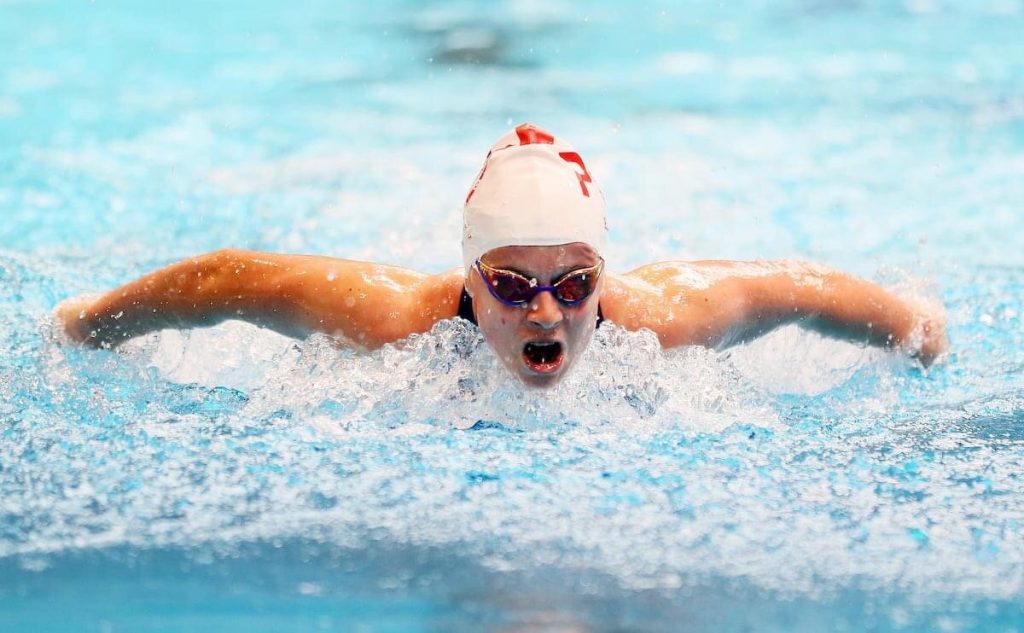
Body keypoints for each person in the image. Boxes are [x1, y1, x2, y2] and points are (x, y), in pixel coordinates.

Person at [56, 123, 947, 388]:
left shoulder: (661, 320)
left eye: (574, 283)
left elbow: (794, 288)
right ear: (472, 281)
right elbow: (231, 277)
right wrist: (88, 322)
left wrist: (916, 326)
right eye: (515, 284)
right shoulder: (396, 318)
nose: (548, 311)